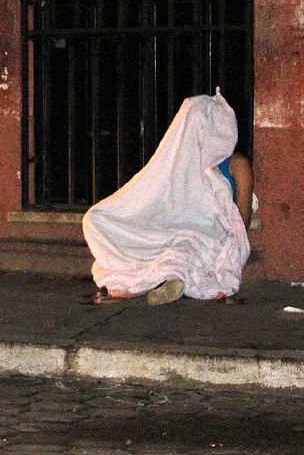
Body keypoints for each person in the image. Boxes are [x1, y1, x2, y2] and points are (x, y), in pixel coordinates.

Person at [83, 90, 253, 306]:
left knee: (186, 248)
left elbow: (242, 216)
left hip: (210, 232)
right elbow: (153, 197)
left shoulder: (237, 164)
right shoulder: (176, 162)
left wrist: (224, 239)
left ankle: (174, 280)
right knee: (96, 220)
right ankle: (172, 279)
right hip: (176, 228)